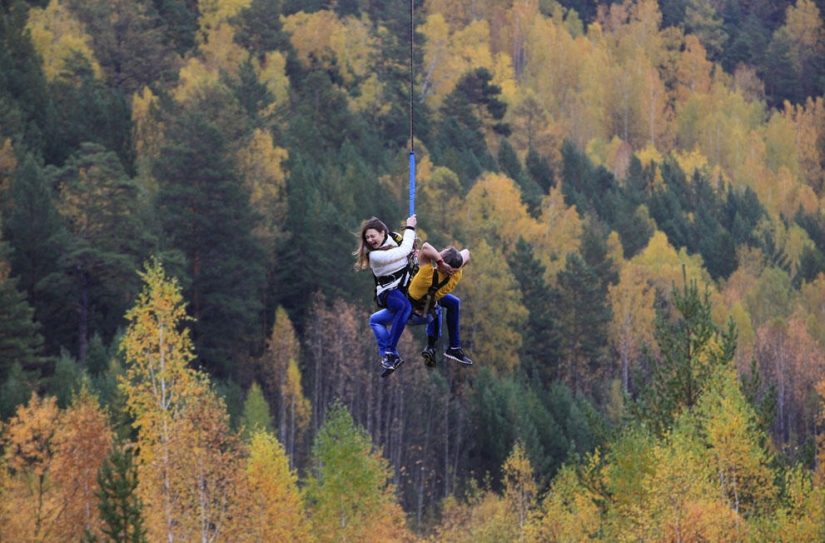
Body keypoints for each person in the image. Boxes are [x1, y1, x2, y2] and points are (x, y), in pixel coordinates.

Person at [354, 215, 428, 372]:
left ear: (383, 233)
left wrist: (415, 254)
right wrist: (410, 227)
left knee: (439, 304)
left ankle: (433, 348)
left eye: (372, 236)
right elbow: (402, 251)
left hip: (405, 288)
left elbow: (407, 251)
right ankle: (389, 352)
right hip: (388, 292)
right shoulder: (374, 255)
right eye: (367, 238)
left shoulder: (395, 238)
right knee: (404, 307)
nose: (370, 240)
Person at [406, 242, 473, 367]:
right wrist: (457, 267)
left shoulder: (427, 274)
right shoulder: (456, 274)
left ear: (442, 260)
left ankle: (431, 346)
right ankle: (453, 346)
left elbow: (426, 247)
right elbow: (467, 252)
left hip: (415, 303)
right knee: (453, 303)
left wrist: (440, 262)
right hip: (431, 297)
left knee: (436, 307)